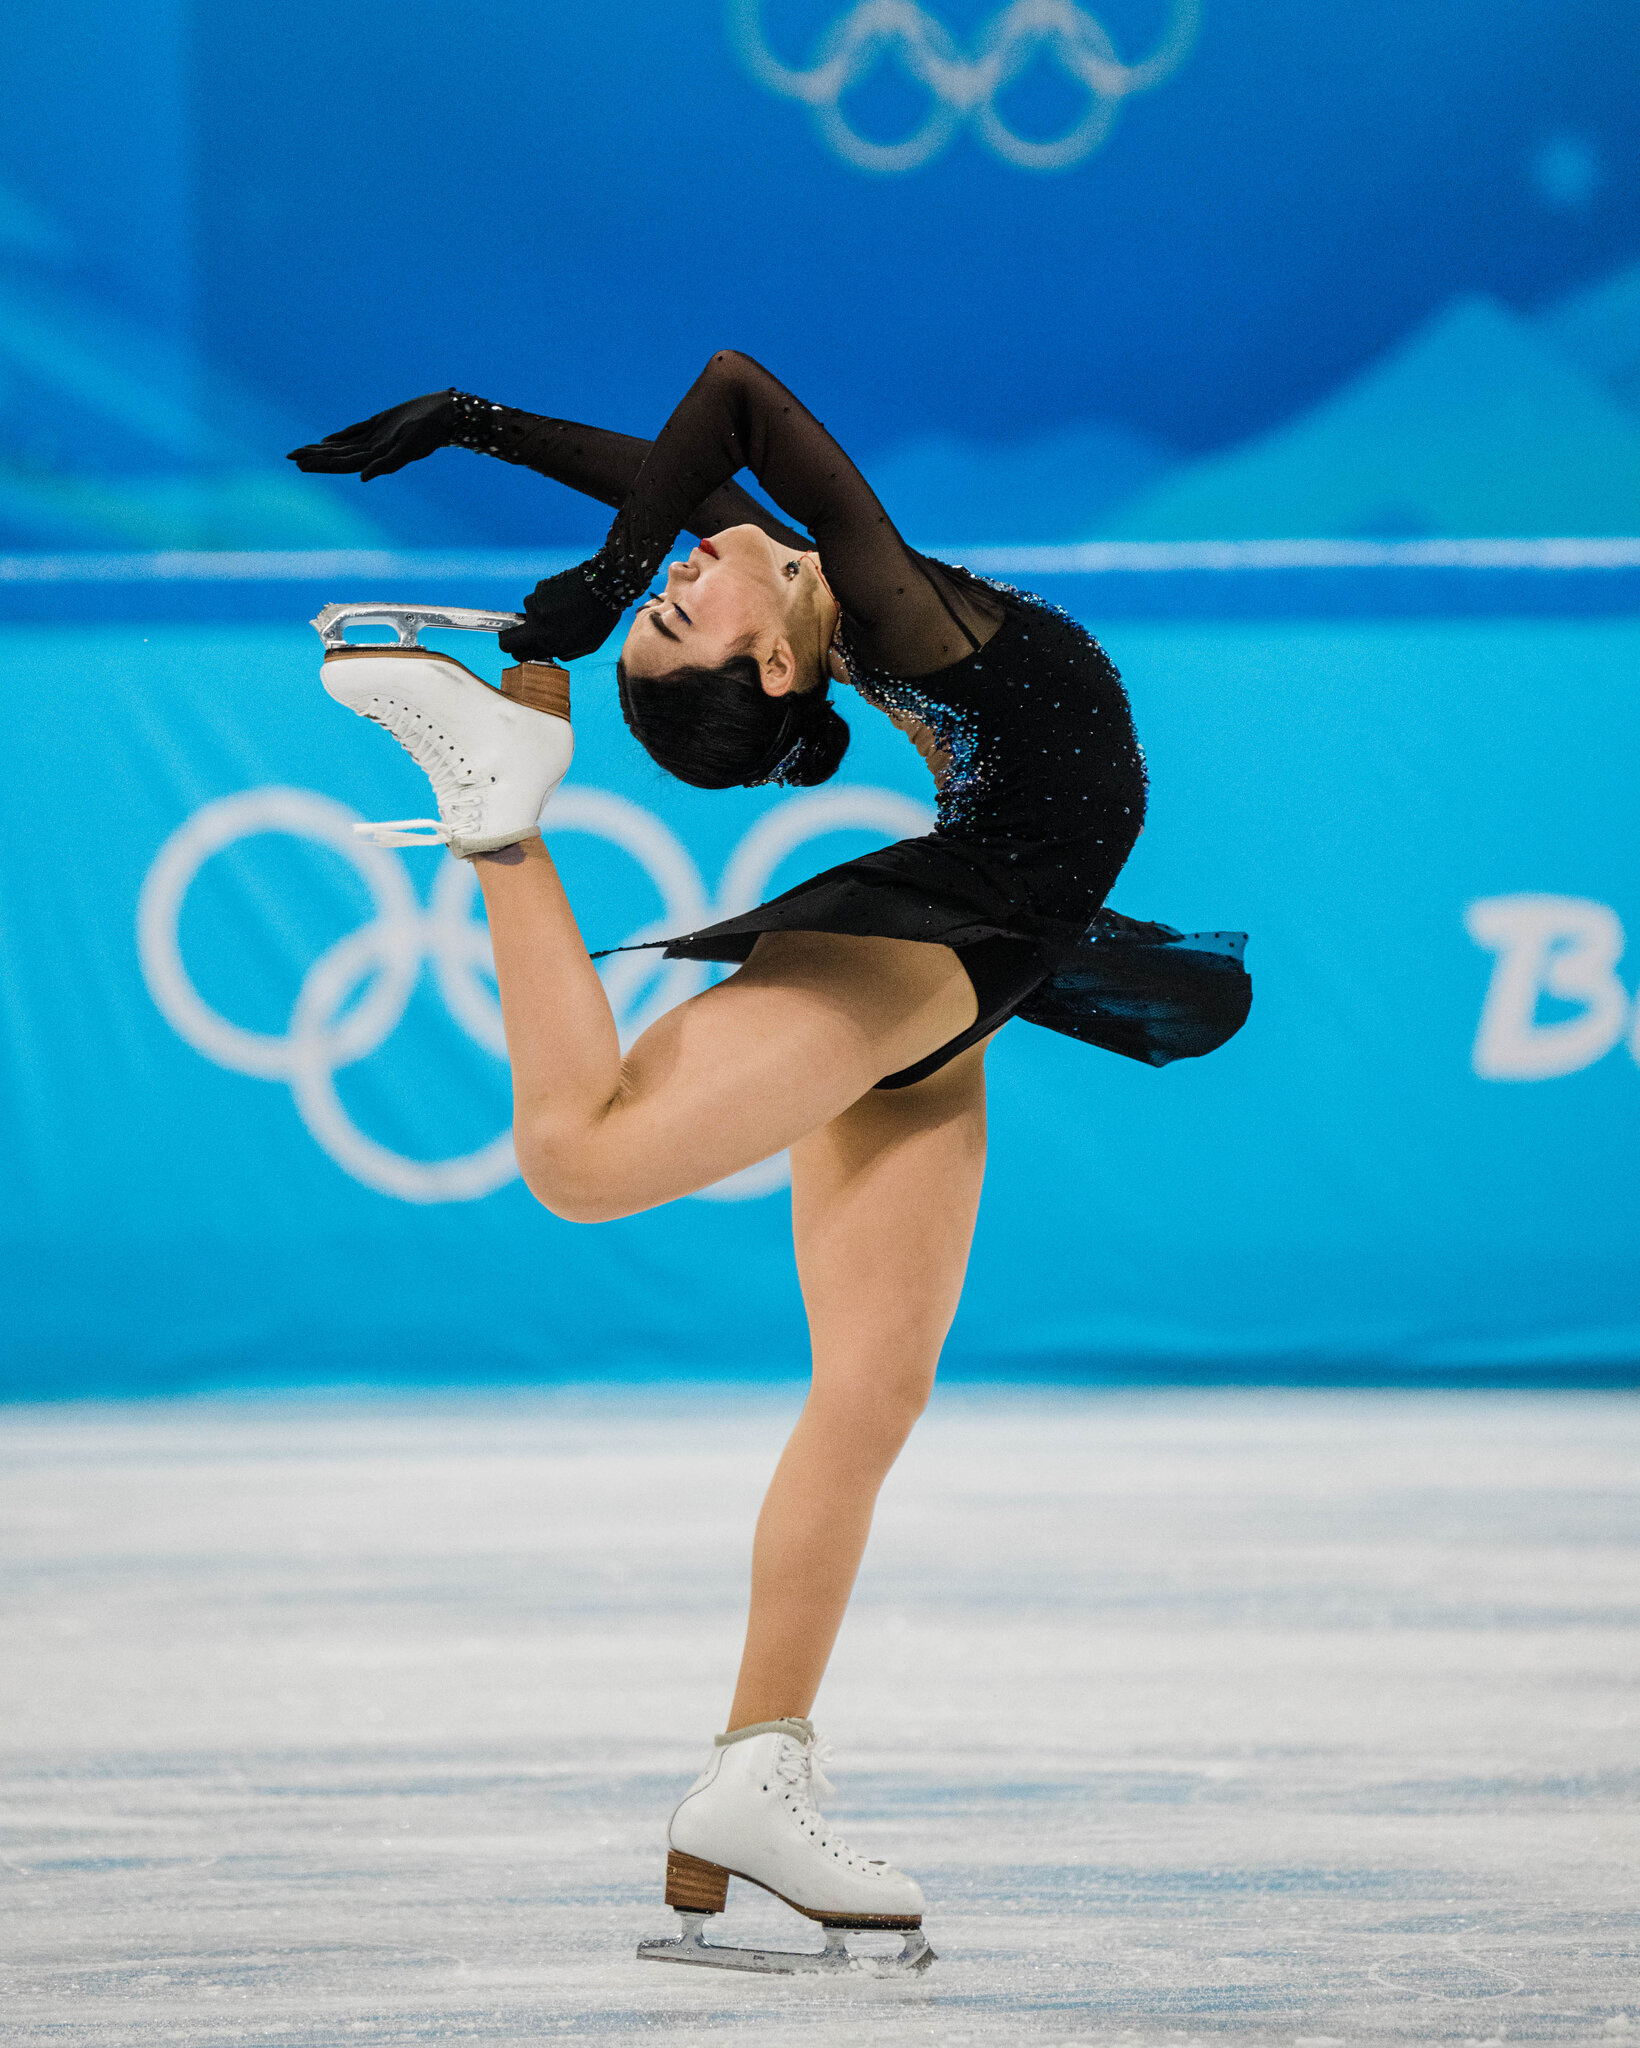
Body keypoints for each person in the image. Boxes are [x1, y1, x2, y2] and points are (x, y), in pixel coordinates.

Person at [289, 353, 1250, 1968]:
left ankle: (755, 1769)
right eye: (678, 604)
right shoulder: (880, 605)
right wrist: (596, 593)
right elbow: (730, 407)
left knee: (873, 1392)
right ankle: (503, 817)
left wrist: (479, 425)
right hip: (952, 937)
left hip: (988, 953)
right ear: (787, 669)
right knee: (585, 1161)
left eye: (671, 588)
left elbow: (702, 469)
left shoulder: (828, 597)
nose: (679, 563)